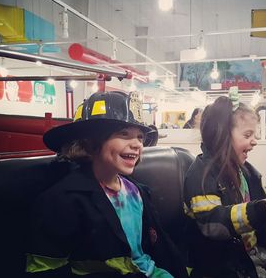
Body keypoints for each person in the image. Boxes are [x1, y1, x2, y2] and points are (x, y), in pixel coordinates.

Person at [25, 91, 188, 278]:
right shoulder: (62, 200)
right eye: (124, 134)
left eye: (140, 137)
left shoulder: (137, 192)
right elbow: (44, 270)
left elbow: (154, 249)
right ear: (91, 141)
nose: (137, 144)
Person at [183, 96, 266, 278]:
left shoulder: (245, 171)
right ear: (221, 135)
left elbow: (263, 199)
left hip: (255, 251)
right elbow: (212, 222)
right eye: (247, 135)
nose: (254, 141)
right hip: (224, 261)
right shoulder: (201, 174)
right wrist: (258, 211)